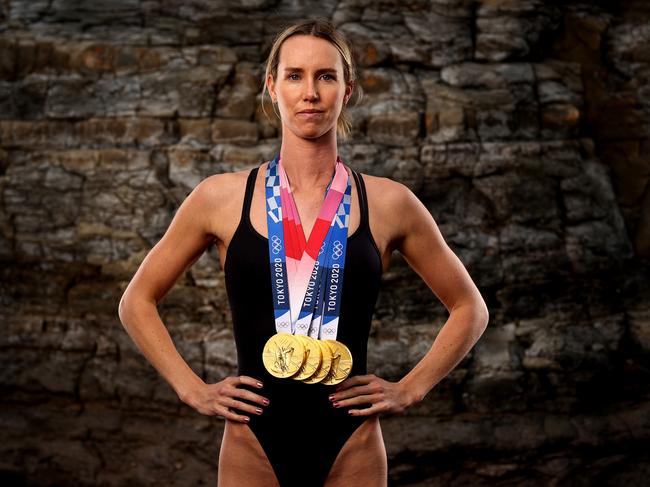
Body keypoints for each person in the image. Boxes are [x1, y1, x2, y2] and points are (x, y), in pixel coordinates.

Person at [118, 18, 489, 487]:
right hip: (253, 443)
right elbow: (136, 301)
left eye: (325, 76)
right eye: (294, 75)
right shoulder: (220, 197)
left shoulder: (391, 203)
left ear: (347, 89)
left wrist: (410, 389)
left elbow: (469, 308)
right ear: (272, 86)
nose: (309, 92)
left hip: (351, 443)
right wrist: (191, 389)